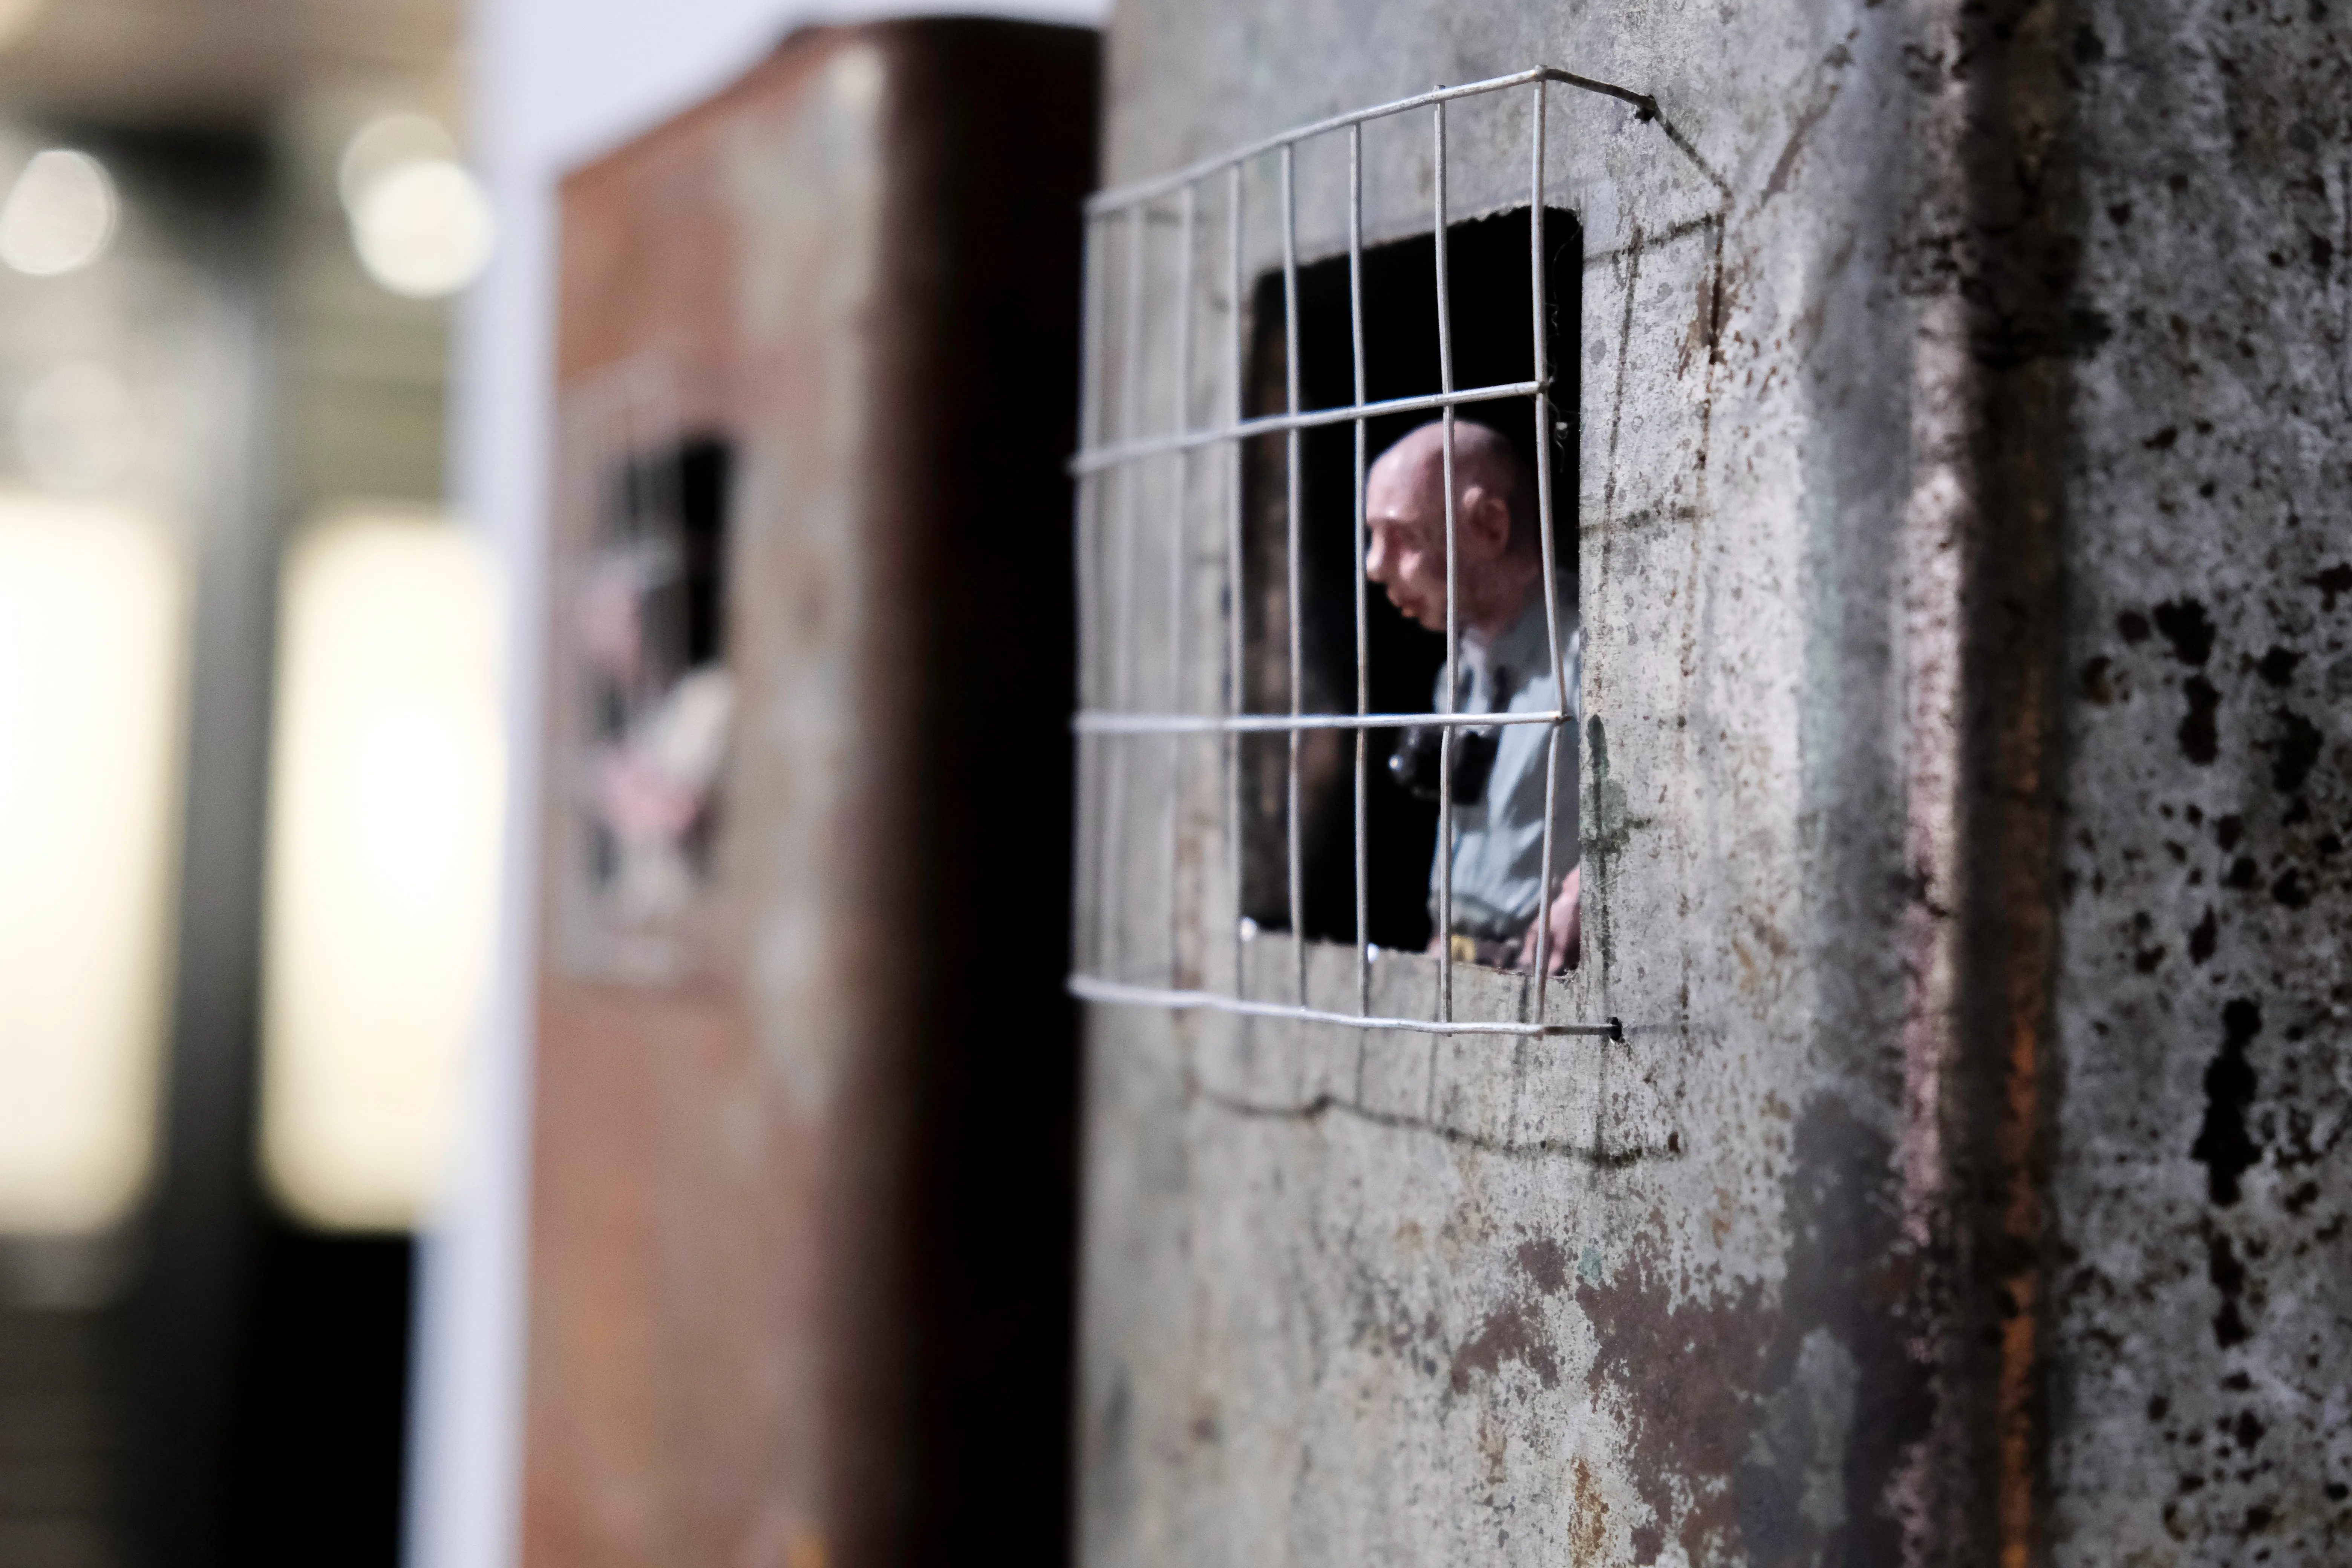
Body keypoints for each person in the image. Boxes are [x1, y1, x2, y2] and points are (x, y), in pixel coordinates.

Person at [1364, 419, 1581, 972]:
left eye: (1404, 538)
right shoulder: (1461, 666)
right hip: (1461, 962)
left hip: (1542, 972)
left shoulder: (1589, 652)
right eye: (1373, 538)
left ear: (1489, 525)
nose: (1374, 566)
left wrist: (1587, 892)